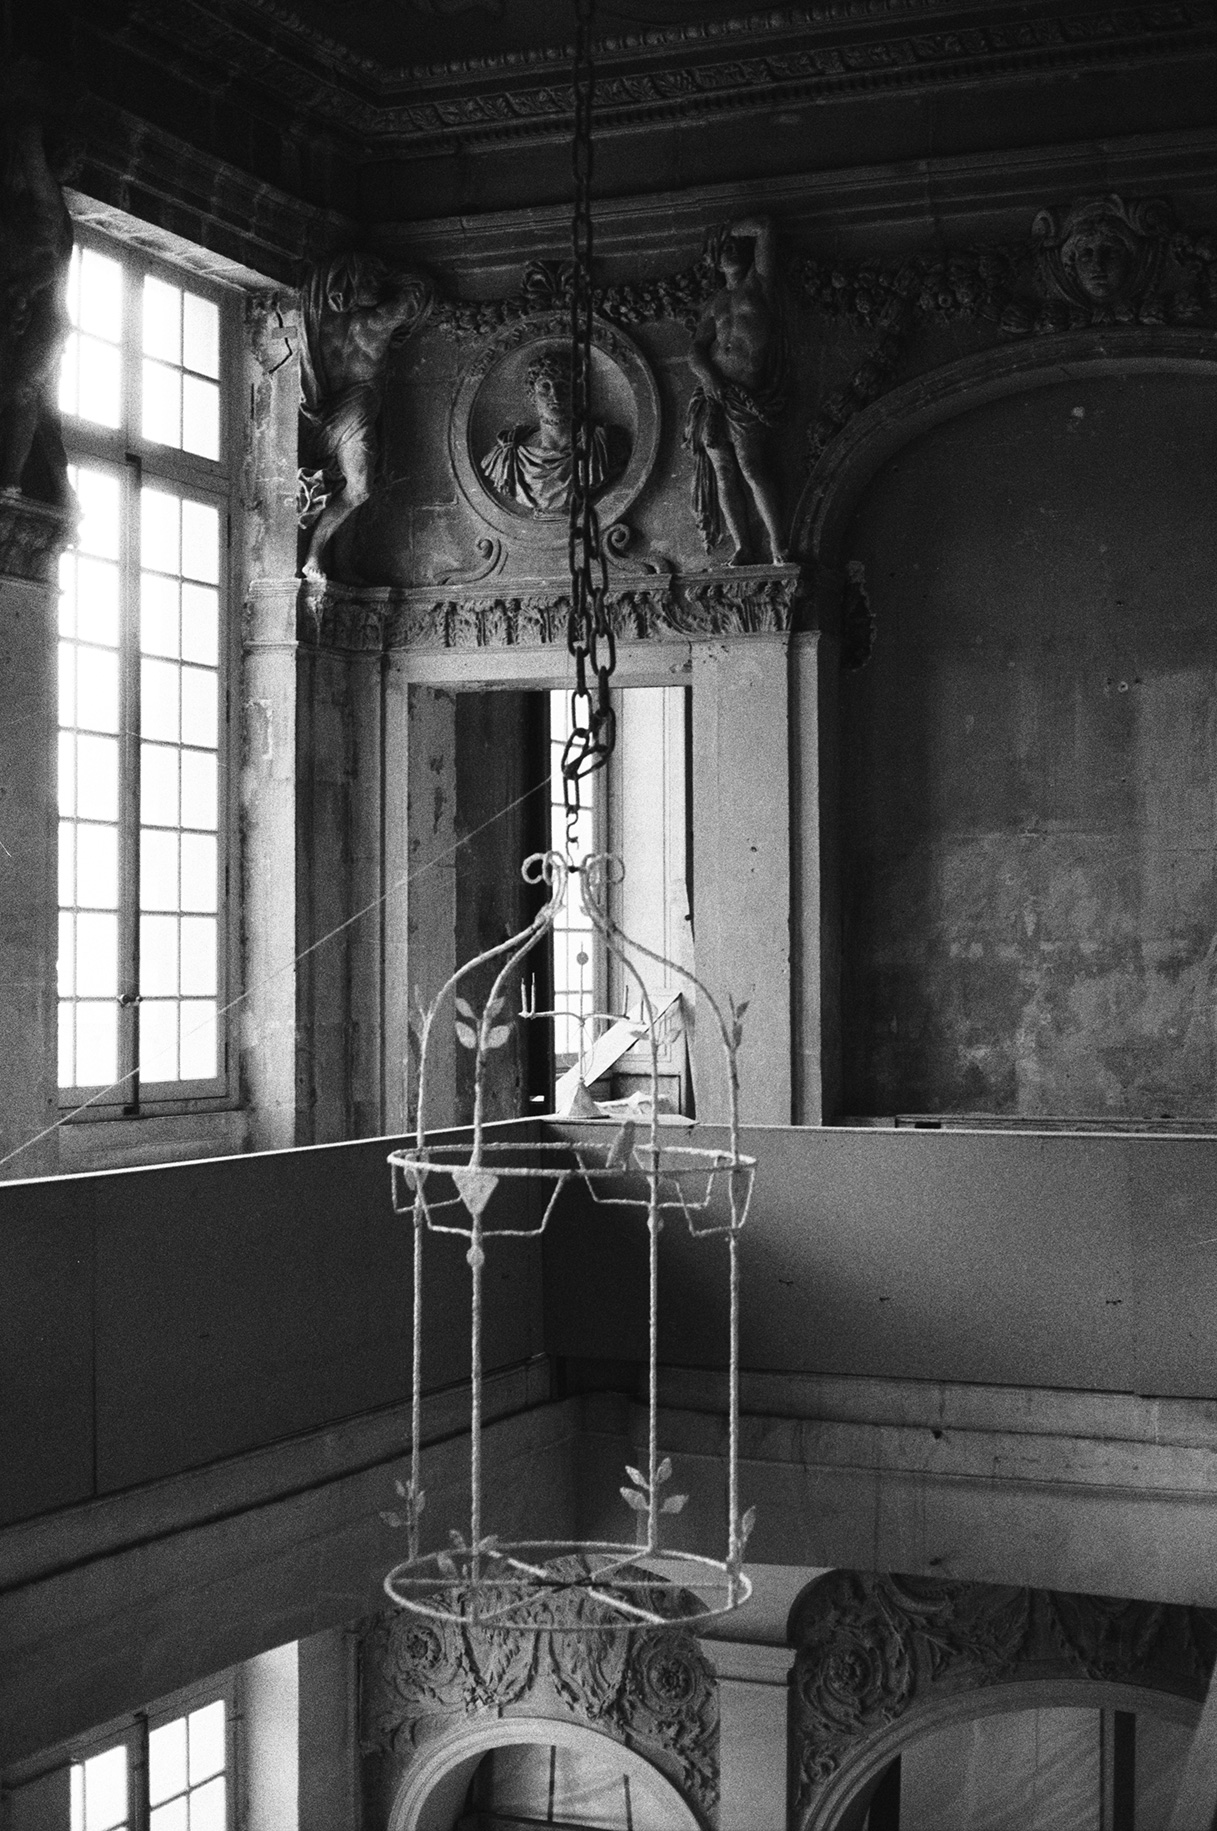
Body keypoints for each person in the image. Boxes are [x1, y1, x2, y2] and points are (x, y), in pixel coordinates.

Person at [299, 253, 432, 577]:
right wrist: (396, 282)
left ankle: (330, 558)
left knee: (357, 490)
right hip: (355, 415)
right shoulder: (375, 323)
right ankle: (315, 553)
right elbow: (415, 297)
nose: (377, 283)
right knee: (359, 490)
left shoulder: (326, 324)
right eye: (371, 277)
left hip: (328, 415)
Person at [684, 215, 790, 565]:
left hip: (746, 394)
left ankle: (778, 544)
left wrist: (724, 229)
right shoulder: (715, 302)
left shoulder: (759, 283)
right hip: (713, 395)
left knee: (751, 466)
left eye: (733, 246)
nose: (728, 251)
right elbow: (696, 350)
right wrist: (708, 377)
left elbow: (765, 228)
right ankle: (743, 545)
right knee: (723, 471)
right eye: (721, 249)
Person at [0, 109, 74, 506]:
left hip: (43, 316)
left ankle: (10, 482)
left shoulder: (48, 208)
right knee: (17, 392)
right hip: (25, 307)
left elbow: (48, 261)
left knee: (23, 391)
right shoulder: (32, 209)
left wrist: (24, 290)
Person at [480, 350, 627, 514]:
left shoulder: (602, 445)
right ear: (532, 394)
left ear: (575, 394)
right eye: (545, 386)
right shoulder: (506, 457)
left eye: (563, 386)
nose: (555, 395)